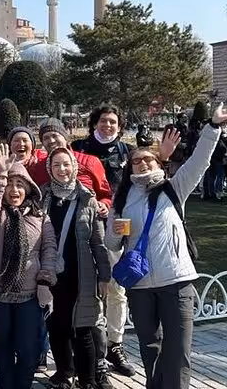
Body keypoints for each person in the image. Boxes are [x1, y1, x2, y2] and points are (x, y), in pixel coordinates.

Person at [104, 103, 227, 389]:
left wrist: (213, 127)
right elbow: (112, 244)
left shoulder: (174, 187)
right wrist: (116, 228)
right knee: (150, 348)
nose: (143, 164)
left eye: (149, 159)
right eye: (137, 161)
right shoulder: (121, 200)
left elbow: (200, 161)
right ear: (129, 167)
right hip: (140, 285)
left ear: (159, 162)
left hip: (177, 281)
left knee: (178, 350)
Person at [0, 143, 57, 389]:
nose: (14, 190)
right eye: (10, 184)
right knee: (4, 343)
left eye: (19, 185)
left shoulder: (40, 216)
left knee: (27, 347)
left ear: (29, 189)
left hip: (29, 293)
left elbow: (49, 250)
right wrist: (1, 174)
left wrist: (45, 280)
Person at [70, 105, 136, 379]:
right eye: (102, 121)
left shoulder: (127, 153)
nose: (107, 125)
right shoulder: (79, 148)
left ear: (119, 127)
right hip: (83, 223)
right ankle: (85, 346)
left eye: (113, 122)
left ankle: (114, 344)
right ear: (94, 123)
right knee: (85, 287)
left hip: (118, 222)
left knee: (116, 288)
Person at [42, 148, 111, 389]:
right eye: (56, 165)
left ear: (74, 167)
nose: (62, 170)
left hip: (81, 274)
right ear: (49, 168)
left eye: (66, 164)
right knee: (57, 325)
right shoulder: (43, 197)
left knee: (82, 328)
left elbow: (98, 243)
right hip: (52, 274)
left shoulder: (87, 200)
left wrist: (104, 276)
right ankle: (64, 373)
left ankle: (88, 380)